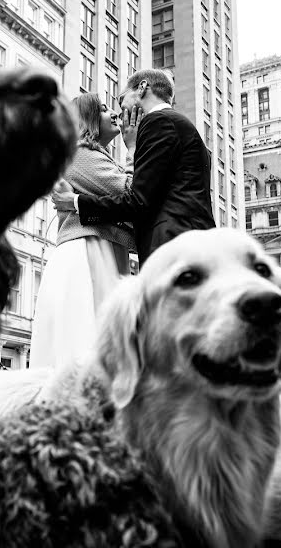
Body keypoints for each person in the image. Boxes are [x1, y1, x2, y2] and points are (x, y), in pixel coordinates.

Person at [52, 69, 216, 265]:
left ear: (142, 87)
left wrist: (76, 202)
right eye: (105, 108)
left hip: (173, 242)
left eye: (121, 98)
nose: (119, 109)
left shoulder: (159, 121)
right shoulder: (179, 126)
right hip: (181, 242)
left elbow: (136, 200)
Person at [29, 93, 136, 371]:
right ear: (87, 119)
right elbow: (132, 194)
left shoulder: (91, 157)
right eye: (102, 109)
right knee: (90, 351)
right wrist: (134, 147)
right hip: (88, 253)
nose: (113, 113)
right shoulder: (81, 155)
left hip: (97, 251)